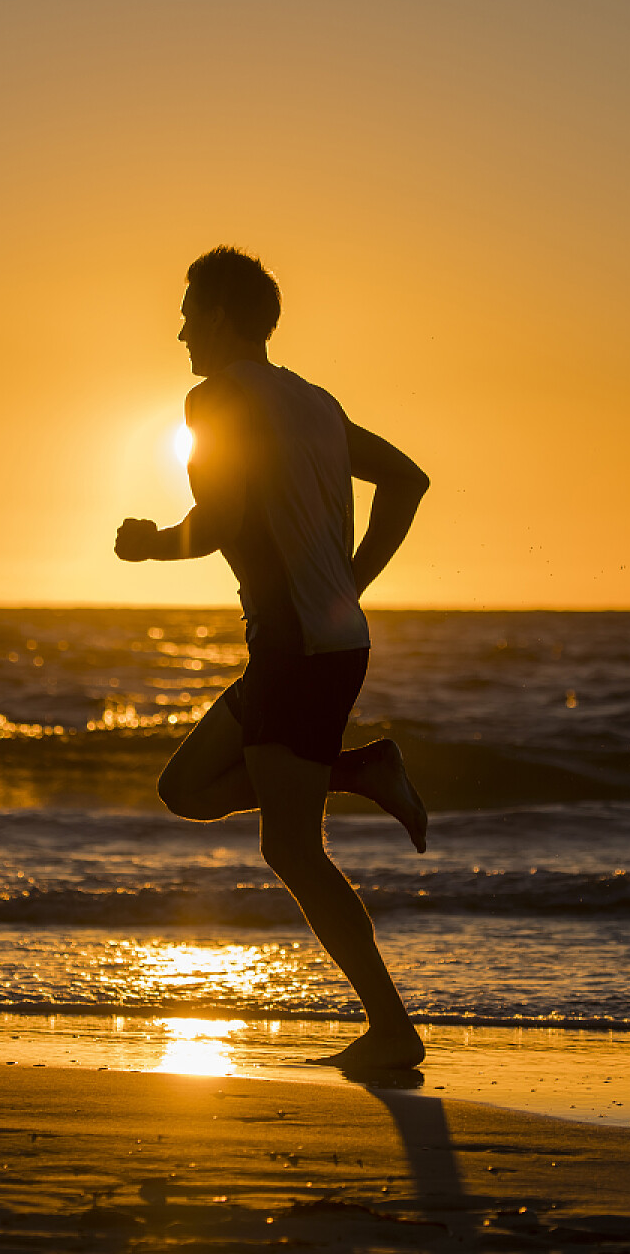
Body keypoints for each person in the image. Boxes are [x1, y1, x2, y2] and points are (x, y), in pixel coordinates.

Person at [115, 246, 432, 1070]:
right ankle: (360, 772)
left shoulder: (214, 398)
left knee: (291, 849)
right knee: (184, 789)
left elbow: (215, 520)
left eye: (189, 309)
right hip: (315, 645)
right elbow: (407, 480)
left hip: (299, 649)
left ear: (220, 314)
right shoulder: (316, 402)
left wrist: (150, 546)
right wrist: (352, 584)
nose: (180, 327)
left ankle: (393, 1030)